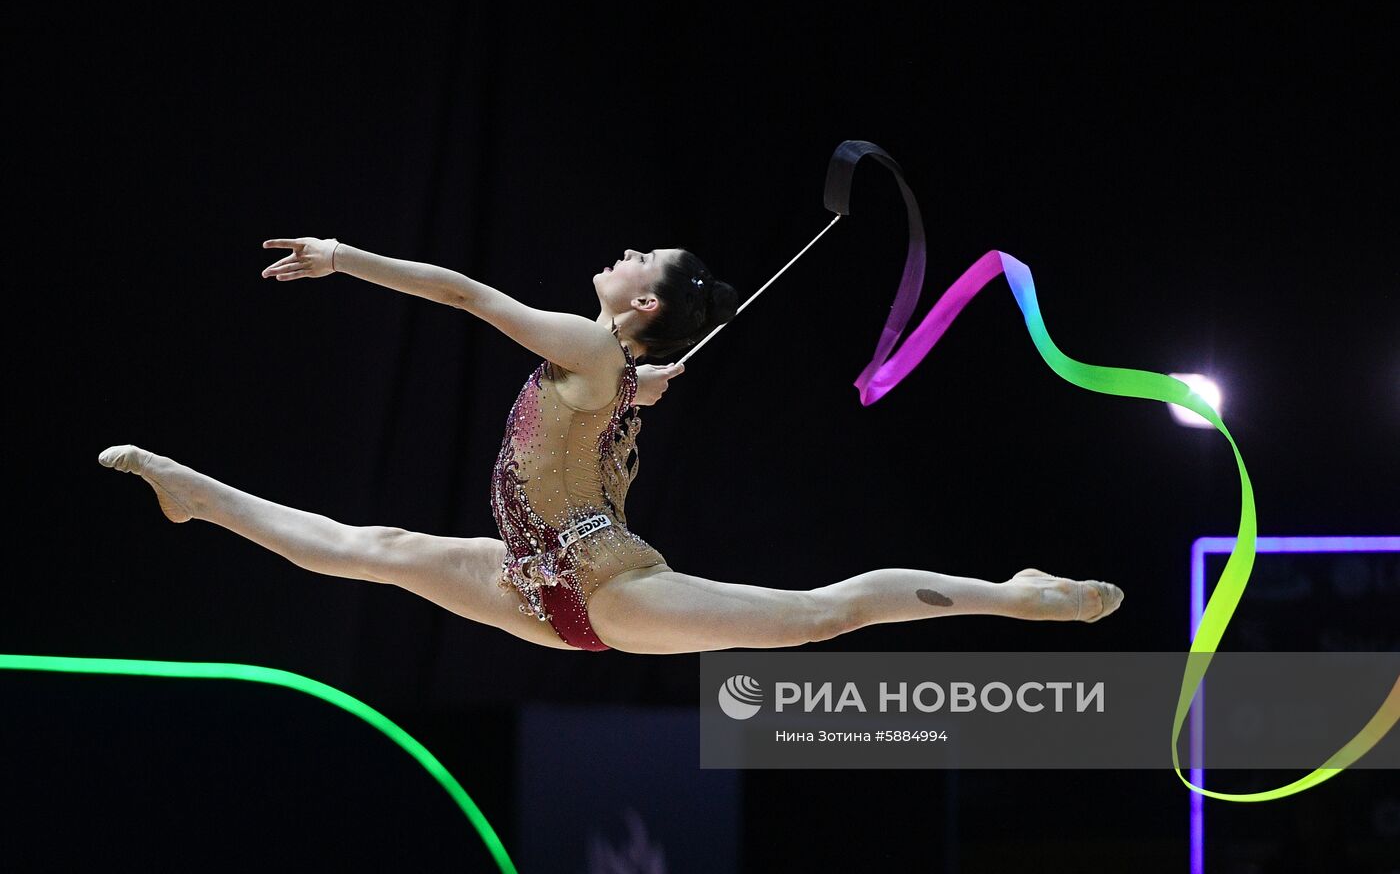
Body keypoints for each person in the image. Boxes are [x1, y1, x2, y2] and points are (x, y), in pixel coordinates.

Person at [99, 237, 1123, 654]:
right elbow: (604, 403)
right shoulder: (616, 368)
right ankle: (196, 495)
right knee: (364, 545)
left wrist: (344, 258)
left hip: (602, 585)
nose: (626, 251)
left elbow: (461, 295)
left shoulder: (591, 344)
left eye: (643, 256)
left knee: (814, 618)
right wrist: (642, 385)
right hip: (524, 578)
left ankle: (1014, 589)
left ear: (638, 302)